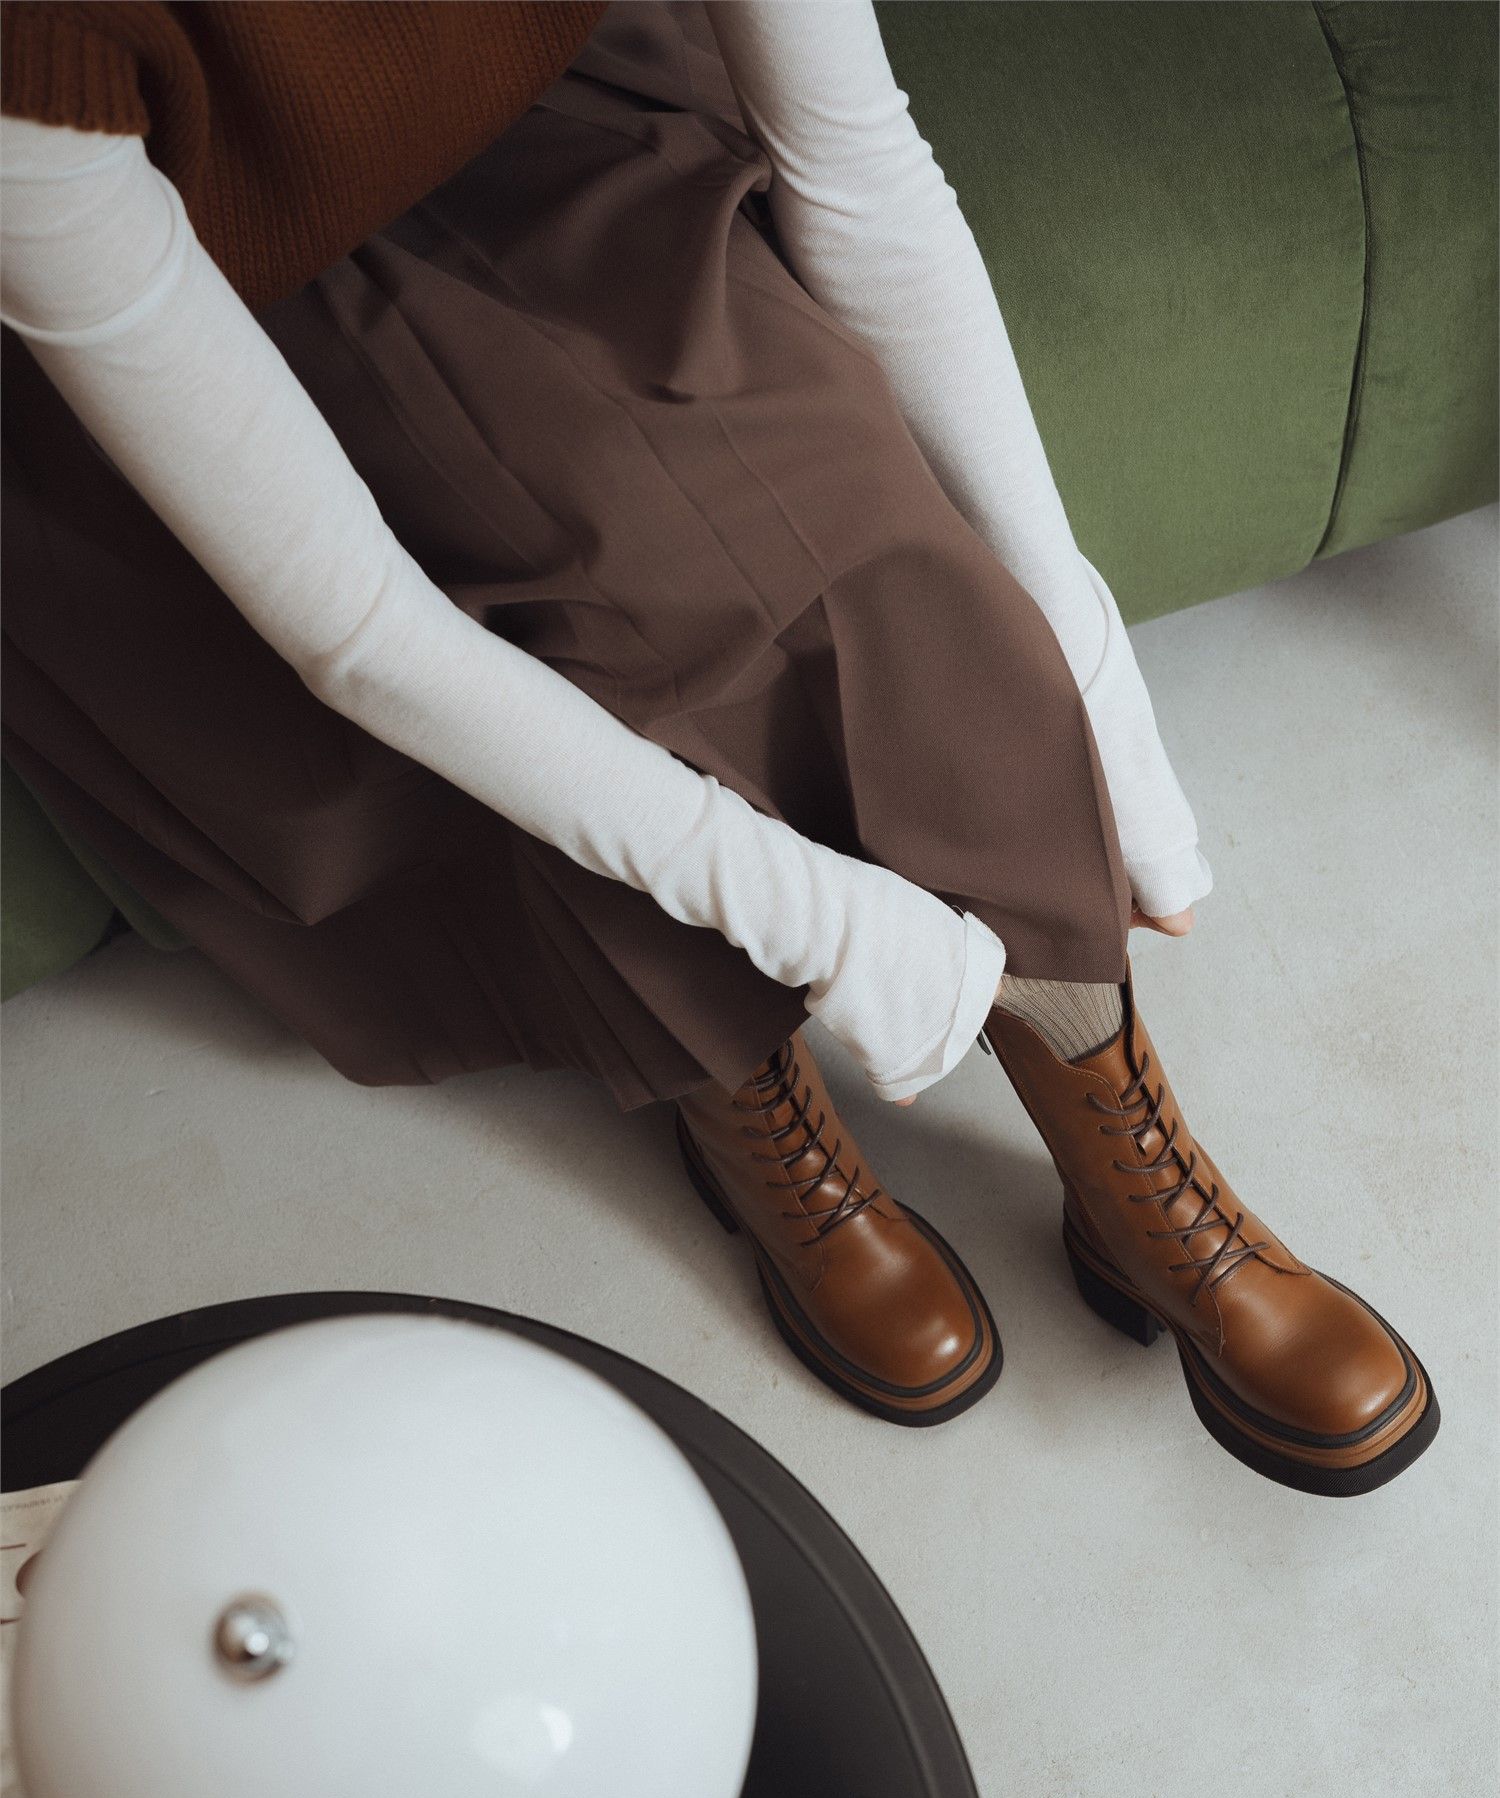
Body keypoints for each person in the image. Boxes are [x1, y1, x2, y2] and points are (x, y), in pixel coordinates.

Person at [0, 0, 1437, 1494]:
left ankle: (1116, 1147)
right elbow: (356, 628)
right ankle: (735, 1094)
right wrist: (823, 926)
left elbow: (863, 175)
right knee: (538, 649)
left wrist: (1082, 656)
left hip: (547, 153)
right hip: (197, 310)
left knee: (856, 532)